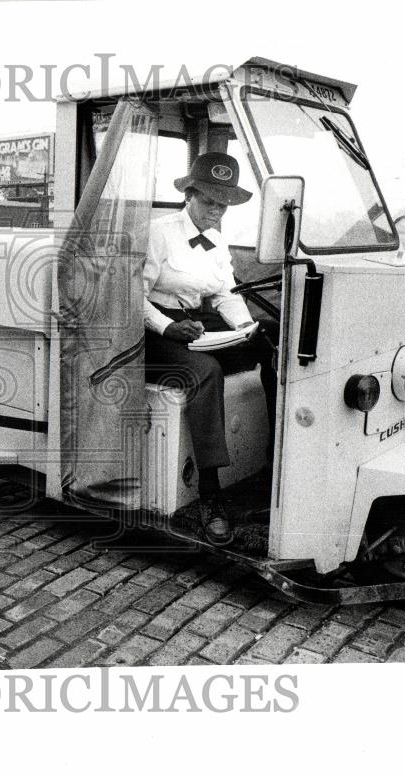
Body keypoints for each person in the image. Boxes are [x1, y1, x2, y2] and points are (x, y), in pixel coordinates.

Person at [143, 152, 277, 544]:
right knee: (206, 372)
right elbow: (132, 297)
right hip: (154, 330)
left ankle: (273, 464)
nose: (216, 211)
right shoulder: (160, 232)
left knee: (270, 342)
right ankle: (210, 493)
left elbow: (225, 294)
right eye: (209, 202)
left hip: (195, 323)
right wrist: (168, 327)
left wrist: (246, 328)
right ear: (190, 195)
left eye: (223, 204)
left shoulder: (217, 240)